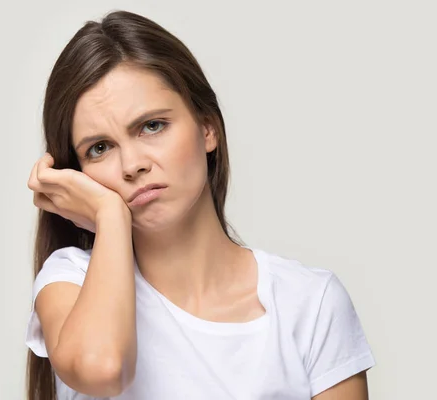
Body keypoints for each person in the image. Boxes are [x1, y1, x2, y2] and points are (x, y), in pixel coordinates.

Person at [24, 10, 375, 400]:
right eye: (99, 148)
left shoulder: (309, 303)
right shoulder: (71, 282)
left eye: (152, 125)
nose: (132, 165)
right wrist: (110, 216)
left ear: (207, 128)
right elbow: (104, 370)